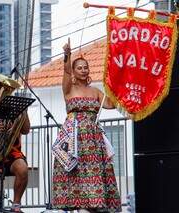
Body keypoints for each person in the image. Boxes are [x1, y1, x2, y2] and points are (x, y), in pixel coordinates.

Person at [51, 38, 122, 213]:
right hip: (74, 137)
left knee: (93, 172)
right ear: (74, 71)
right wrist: (67, 55)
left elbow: (111, 104)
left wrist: (119, 85)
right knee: (76, 173)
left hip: (93, 138)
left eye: (86, 67)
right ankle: (81, 206)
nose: (83, 70)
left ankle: (93, 204)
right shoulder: (69, 89)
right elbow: (66, 74)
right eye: (79, 67)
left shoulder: (95, 91)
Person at [0, 111, 30, 213]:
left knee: (22, 169)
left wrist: (24, 111)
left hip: (11, 153)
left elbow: (25, 130)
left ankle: (16, 205)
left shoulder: (16, 110)